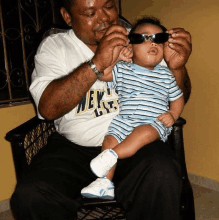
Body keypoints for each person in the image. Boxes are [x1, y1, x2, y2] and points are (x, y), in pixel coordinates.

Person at [10, 0, 192, 219]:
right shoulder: (55, 47)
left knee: (160, 172)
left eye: (108, 7)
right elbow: (48, 110)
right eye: (90, 12)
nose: (104, 18)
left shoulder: (140, 37)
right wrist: (97, 63)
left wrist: (177, 67)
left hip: (136, 140)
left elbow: (177, 94)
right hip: (74, 147)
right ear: (67, 17)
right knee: (32, 194)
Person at [81, 16, 185, 200]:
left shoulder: (166, 75)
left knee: (142, 132)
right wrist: (115, 58)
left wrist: (173, 114)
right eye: (143, 38)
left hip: (154, 122)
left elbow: (178, 98)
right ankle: (105, 182)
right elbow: (102, 74)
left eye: (158, 40)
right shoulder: (122, 69)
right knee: (109, 140)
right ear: (130, 46)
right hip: (124, 121)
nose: (152, 43)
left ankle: (112, 156)